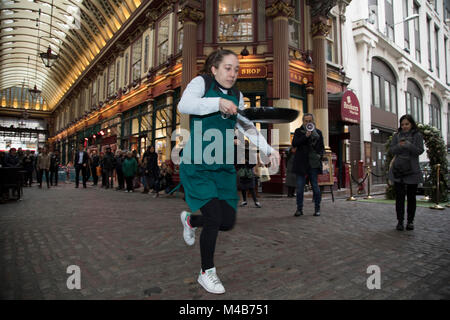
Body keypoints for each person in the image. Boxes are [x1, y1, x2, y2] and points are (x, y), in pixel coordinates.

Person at [177, 49, 280, 294]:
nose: (232, 73)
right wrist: (218, 102)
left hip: (223, 167)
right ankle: (206, 272)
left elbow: (246, 126)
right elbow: (184, 105)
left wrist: (269, 149)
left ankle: (191, 220)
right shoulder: (201, 83)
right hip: (198, 164)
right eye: (227, 67)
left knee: (227, 222)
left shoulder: (237, 95)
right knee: (214, 218)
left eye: (236, 69)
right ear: (214, 69)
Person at [388, 114, 424, 231]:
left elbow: (419, 151)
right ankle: (400, 221)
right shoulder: (397, 135)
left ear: (411, 124)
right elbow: (392, 150)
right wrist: (400, 145)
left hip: (412, 170)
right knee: (399, 197)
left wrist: (408, 145)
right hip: (399, 170)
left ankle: (410, 221)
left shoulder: (417, 135)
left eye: (407, 124)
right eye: (402, 124)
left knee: (411, 197)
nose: (404, 126)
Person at [292, 113, 325, 217]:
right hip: (301, 162)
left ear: (313, 122)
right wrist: (306, 136)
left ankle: (317, 208)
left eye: (309, 121)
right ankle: (299, 209)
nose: (308, 123)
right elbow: (295, 143)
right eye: (306, 121)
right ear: (303, 121)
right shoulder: (298, 131)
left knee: (315, 186)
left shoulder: (318, 132)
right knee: (300, 187)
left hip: (313, 163)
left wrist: (319, 155)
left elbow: (322, 147)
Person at [236, 141, 261, 208]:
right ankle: (244, 201)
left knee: (251, 188)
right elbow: (237, 165)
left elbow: (253, 164)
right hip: (242, 173)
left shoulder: (251, 154)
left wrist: (246, 162)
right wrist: (241, 163)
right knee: (243, 188)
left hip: (249, 172)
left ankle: (256, 201)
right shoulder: (240, 154)